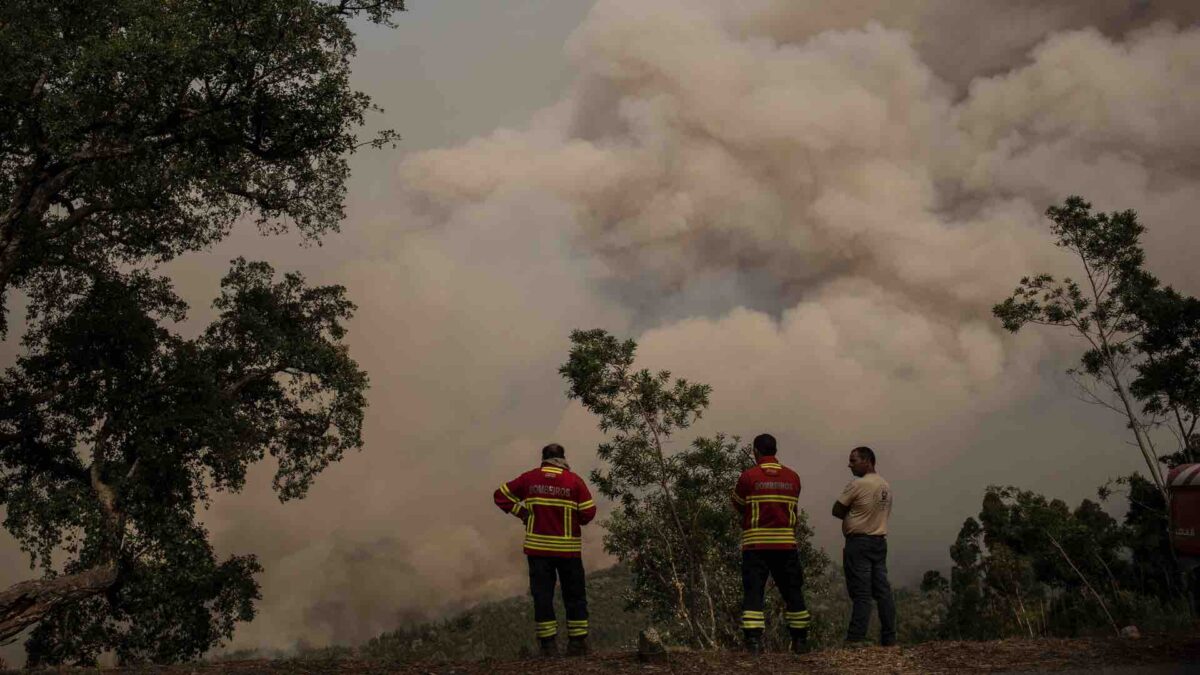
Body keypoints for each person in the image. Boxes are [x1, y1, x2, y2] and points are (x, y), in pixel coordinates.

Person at [494, 443, 597, 657]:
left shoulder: (529, 479)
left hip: (538, 551)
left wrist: (522, 513)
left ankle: (548, 646)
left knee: (542, 596)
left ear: (544, 458)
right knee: (575, 596)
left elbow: (500, 495)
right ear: (562, 458)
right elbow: (588, 513)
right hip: (568, 551)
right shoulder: (574, 481)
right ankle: (577, 644)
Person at [732, 433, 812, 655]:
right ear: (775, 450)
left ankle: (754, 643)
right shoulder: (793, 477)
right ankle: (800, 640)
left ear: (756, 451)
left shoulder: (748, 477)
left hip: (755, 545)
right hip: (786, 545)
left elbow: (738, 504)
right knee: (793, 591)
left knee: (753, 592)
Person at [831, 445, 896, 647]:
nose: (849, 465)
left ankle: (855, 637)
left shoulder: (858, 484)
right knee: (883, 590)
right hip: (879, 541)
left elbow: (837, 510)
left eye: (853, 460)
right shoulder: (885, 485)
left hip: (859, 543)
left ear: (867, 461)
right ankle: (889, 637)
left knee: (861, 592)